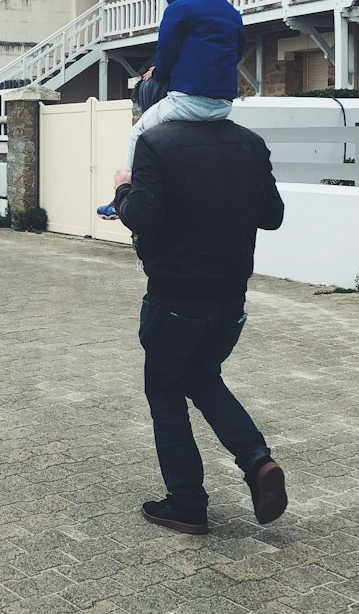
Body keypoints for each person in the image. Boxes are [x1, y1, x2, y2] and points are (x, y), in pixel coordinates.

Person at [112, 108, 287, 535]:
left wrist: (121, 190)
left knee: (166, 391)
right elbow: (273, 215)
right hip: (230, 298)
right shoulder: (250, 142)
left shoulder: (156, 142)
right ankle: (256, 462)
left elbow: (143, 216)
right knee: (202, 377)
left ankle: (187, 502)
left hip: (176, 295)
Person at [97, 0, 244, 219]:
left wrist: (159, 72)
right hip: (223, 104)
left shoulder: (180, 8)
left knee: (138, 133)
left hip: (187, 100)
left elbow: (166, 50)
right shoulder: (232, 13)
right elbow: (238, 52)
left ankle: (124, 193)